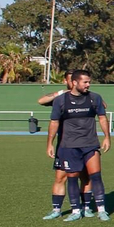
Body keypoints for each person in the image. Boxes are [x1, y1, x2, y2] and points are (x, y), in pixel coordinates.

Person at [46, 69, 111, 221]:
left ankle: (101, 210)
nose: (88, 85)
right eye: (85, 82)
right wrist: (49, 143)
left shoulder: (95, 98)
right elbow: (54, 122)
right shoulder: (61, 100)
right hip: (68, 146)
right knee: (72, 178)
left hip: (90, 144)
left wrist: (107, 137)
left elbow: (102, 118)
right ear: (75, 82)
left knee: (95, 176)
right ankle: (76, 211)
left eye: (89, 82)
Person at [37, 83, 83, 219]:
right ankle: (56, 209)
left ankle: (85, 208)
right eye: (71, 80)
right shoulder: (61, 99)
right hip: (64, 143)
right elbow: (41, 100)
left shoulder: (86, 96)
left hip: (84, 143)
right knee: (60, 177)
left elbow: (102, 105)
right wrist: (61, 92)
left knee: (85, 177)